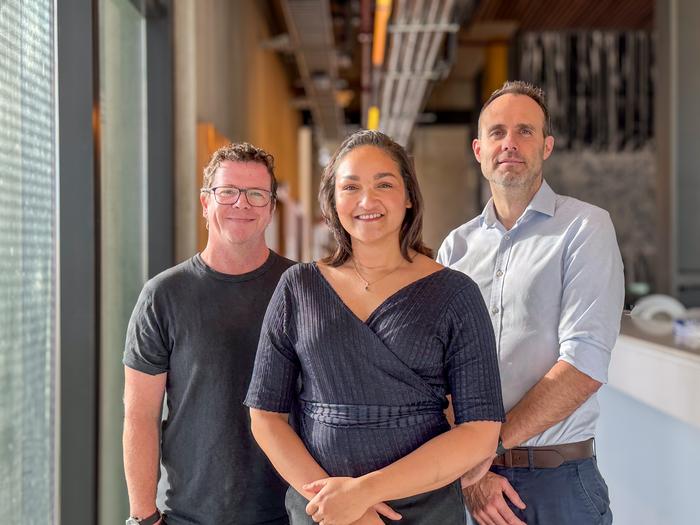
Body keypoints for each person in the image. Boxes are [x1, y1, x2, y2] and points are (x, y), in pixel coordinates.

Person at [244, 130, 506, 525]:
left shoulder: (456, 294)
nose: (367, 201)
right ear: (333, 201)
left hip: (424, 511)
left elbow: (481, 430)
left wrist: (365, 493)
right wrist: (338, 504)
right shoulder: (298, 287)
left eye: (384, 184)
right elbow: (266, 416)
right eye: (351, 187)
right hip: (322, 509)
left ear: (408, 197)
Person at [438, 81, 624, 525]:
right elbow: (437, 371)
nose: (510, 143)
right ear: (479, 150)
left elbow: (584, 365)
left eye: (525, 131)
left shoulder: (585, 229)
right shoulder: (455, 249)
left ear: (547, 146)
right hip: (472, 485)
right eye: (498, 132)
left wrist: (485, 450)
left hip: (558, 484)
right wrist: (472, 472)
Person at [122, 143, 295, 524]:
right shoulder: (163, 295)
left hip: (289, 512)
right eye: (227, 192)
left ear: (270, 208)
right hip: (189, 514)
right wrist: (143, 517)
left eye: (256, 194)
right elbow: (140, 415)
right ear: (205, 203)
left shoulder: (302, 288)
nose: (241, 204)